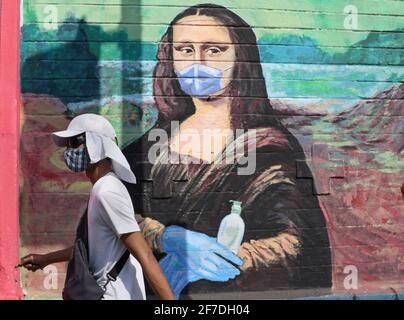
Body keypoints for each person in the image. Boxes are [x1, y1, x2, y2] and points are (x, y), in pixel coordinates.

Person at [122, 4, 332, 298]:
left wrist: (218, 259)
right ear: (169, 58)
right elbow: (114, 214)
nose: (198, 62)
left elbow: (295, 245)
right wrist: (166, 238)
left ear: (241, 59)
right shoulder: (153, 143)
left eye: (215, 50)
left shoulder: (268, 148)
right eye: (184, 50)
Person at [19, 113, 175, 300]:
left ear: (96, 145)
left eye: (75, 143)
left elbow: (145, 255)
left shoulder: (108, 192)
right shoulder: (102, 188)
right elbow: (95, 248)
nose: (69, 151)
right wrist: (45, 259)